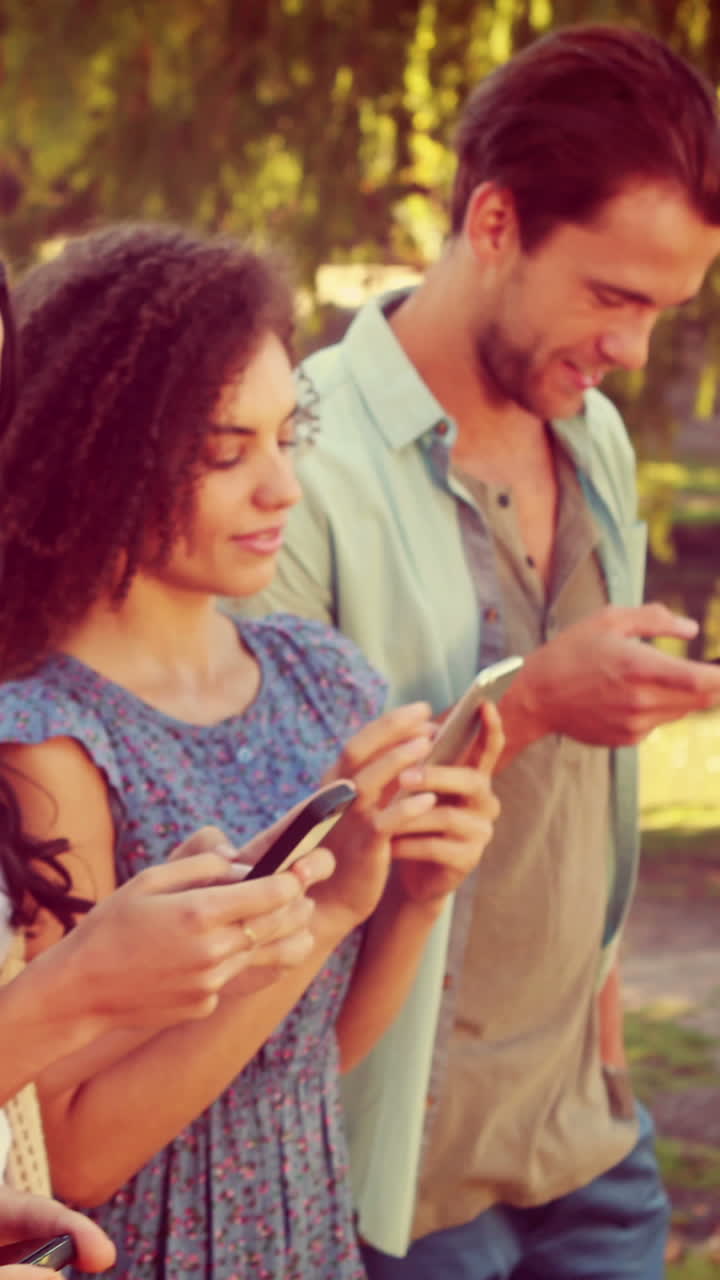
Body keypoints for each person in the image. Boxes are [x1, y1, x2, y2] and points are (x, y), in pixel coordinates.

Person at [246, 22, 720, 1280]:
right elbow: (267, 830)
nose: (634, 347)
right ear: (496, 221)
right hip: (400, 1172)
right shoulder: (293, 458)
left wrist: (612, 1059)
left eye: (664, 309)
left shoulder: (599, 440)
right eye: (614, 296)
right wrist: (534, 702)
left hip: (589, 1143)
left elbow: (584, 815)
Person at [0, 222, 501, 1280]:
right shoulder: (49, 738)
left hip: (308, 1233)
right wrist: (314, 916)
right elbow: (76, 1153)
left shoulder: (323, 676)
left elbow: (312, 1062)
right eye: (228, 452)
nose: (282, 488)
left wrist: (408, 892)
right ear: (101, 460)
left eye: (288, 432)